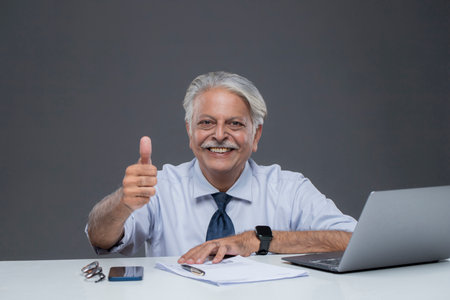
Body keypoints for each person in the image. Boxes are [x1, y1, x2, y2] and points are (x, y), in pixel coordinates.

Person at [86, 71, 357, 264]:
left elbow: (353, 240)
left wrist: (257, 240)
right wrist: (122, 202)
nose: (219, 134)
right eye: (206, 123)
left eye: (235, 124)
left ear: (256, 135)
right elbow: (101, 239)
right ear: (189, 132)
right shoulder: (161, 186)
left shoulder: (289, 188)